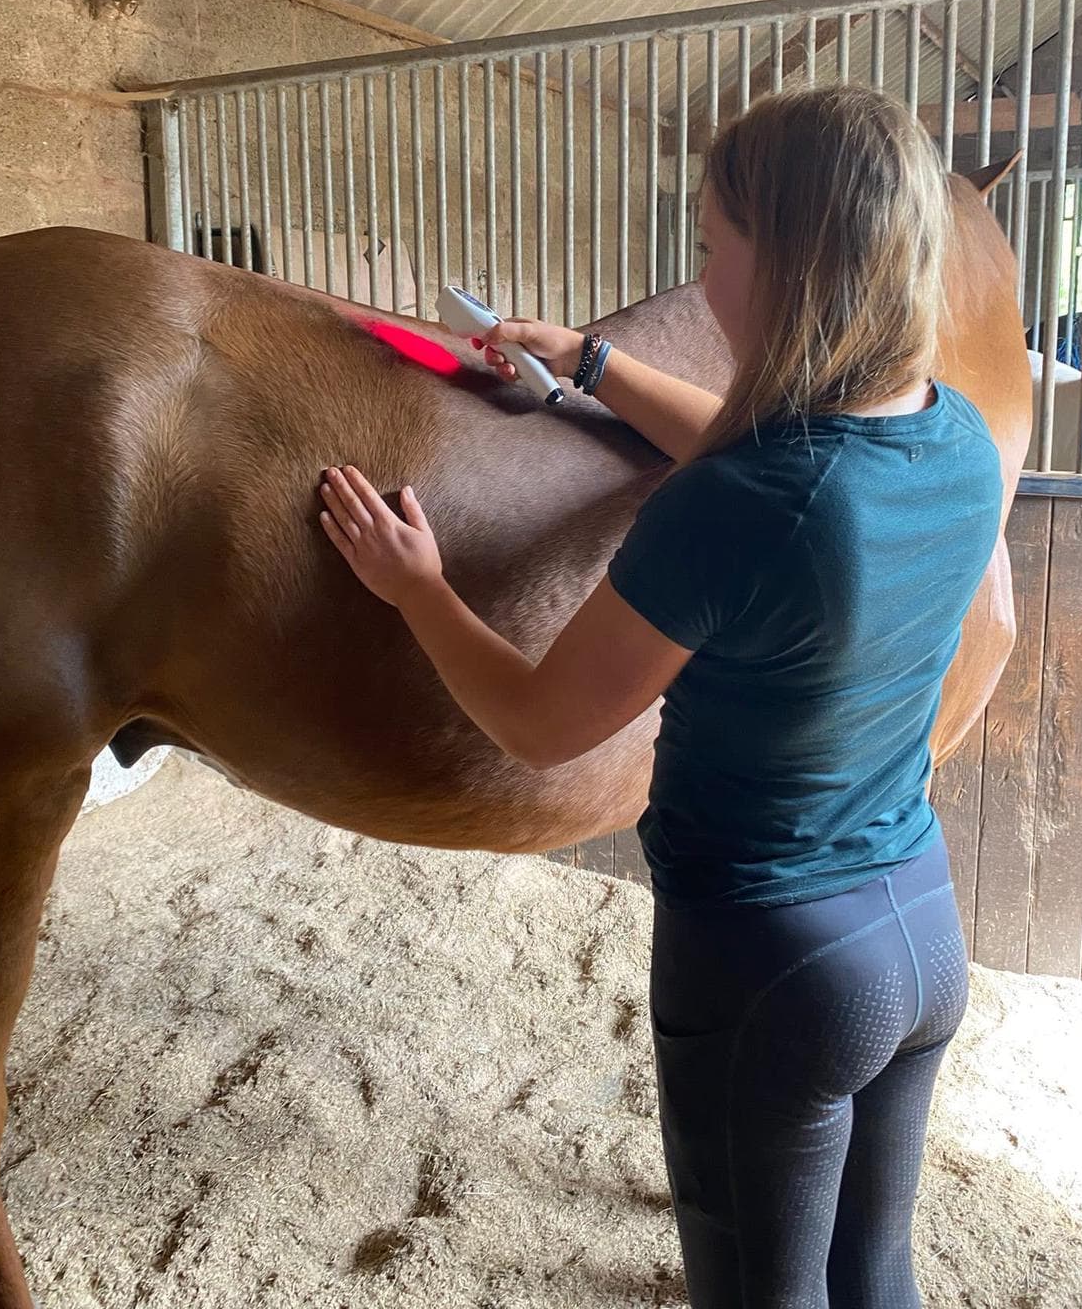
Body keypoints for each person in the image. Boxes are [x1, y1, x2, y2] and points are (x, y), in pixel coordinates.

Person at [315, 85, 1002, 1309]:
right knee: (875, 1273)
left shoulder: (737, 507)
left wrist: (416, 586)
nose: (703, 275)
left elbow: (539, 726)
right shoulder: (954, 437)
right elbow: (766, 456)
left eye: (710, 244)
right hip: (919, 929)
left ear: (782, 266)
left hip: (770, 965)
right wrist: (592, 362)